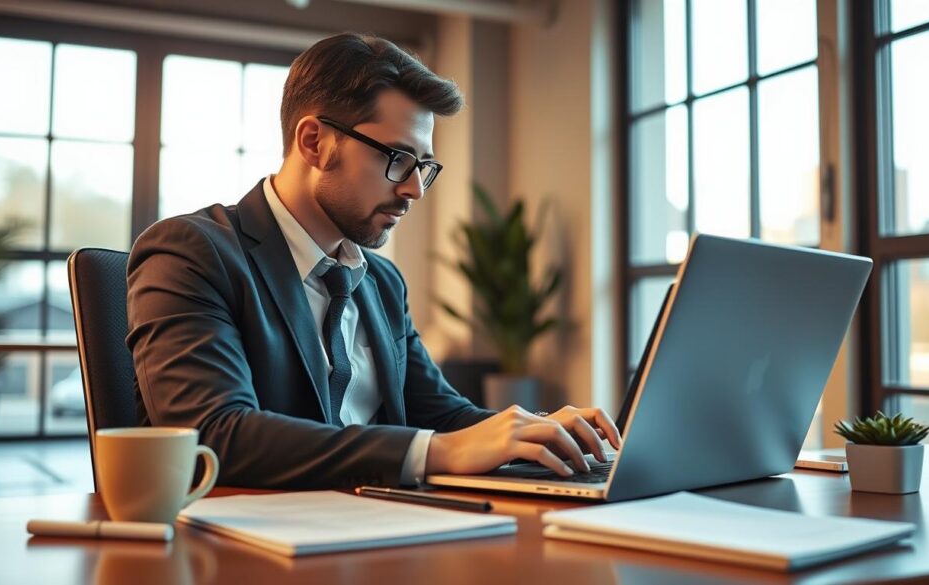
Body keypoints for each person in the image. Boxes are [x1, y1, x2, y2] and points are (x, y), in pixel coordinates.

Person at [126, 33, 621, 490]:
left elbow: (444, 416)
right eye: (398, 159)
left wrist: (541, 433)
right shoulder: (190, 252)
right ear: (314, 142)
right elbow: (215, 435)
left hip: (374, 530)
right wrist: (437, 451)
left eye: (423, 168)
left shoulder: (381, 282)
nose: (413, 190)